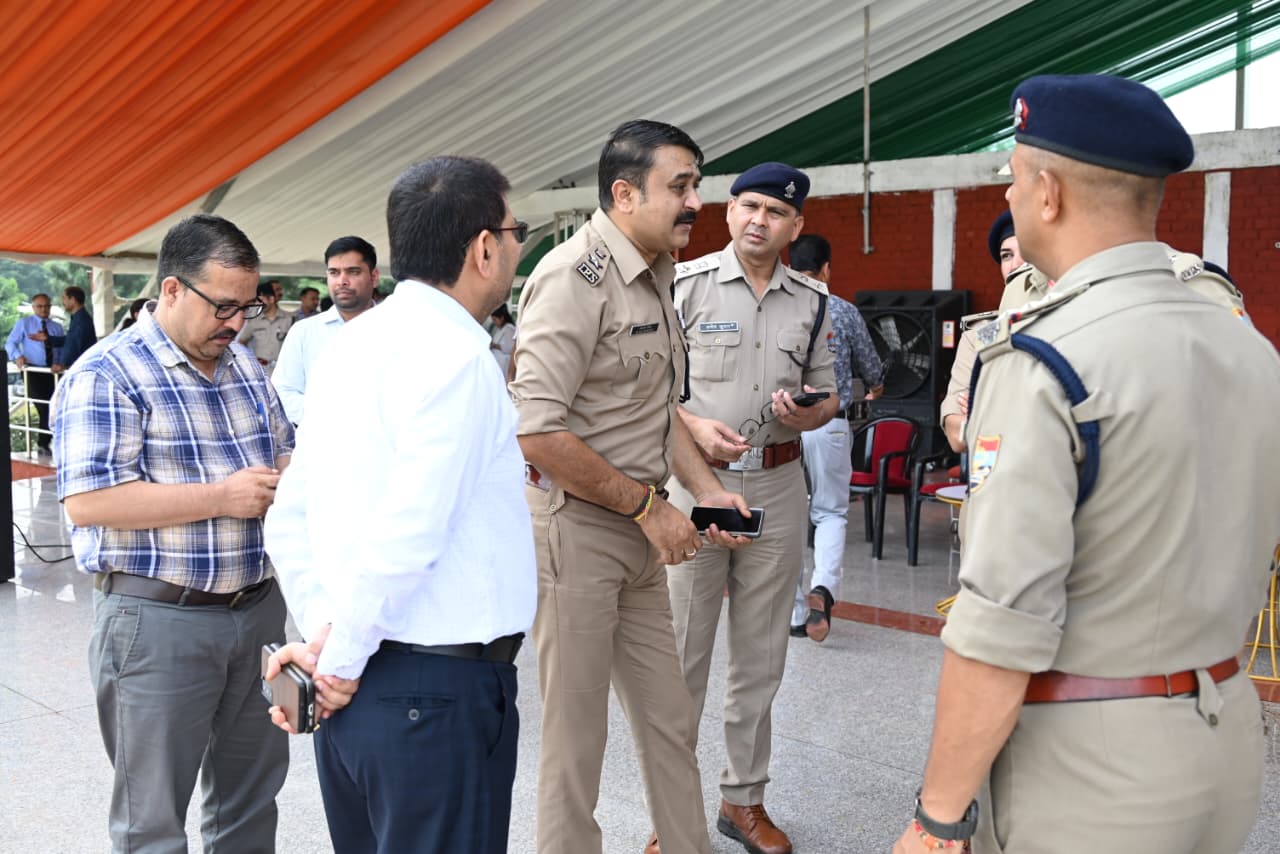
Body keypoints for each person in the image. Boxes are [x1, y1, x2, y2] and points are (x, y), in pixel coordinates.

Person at [894, 74, 1280, 854]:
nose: (1009, 192)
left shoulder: (1046, 358)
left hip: (1091, 768)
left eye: (1012, 176)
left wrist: (937, 819)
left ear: (1048, 194)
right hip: (1225, 732)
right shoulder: (1248, 347)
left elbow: (1000, 627)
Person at [264, 155, 535, 854]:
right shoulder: (459, 359)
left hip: (356, 689)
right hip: (432, 693)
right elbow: (412, 531)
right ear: (483, 248)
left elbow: (289, 515)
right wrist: (338, 660)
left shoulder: (349, 347)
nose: (515, 247)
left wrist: (326, 640)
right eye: (516, 232)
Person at [510, 119, 751, 854]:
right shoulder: (572, 278)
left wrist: (704, 490)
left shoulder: (658, 269)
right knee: (576, 737)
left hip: (643, 531)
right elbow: (537, 432)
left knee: (668, 720)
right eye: (679, 187)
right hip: (579, 533)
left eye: (695, 186)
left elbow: (656, 408)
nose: (695, 203)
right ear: (624, 194)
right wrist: (649, 508)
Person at [53, 214, 295, 852]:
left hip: (256, 611)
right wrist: (223, 496)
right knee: (153, 821)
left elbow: (283, 453)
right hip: (159, 621)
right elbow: (89, 501)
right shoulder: (107, 373)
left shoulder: (243, 366)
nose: (235, 323)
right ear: (171, 289)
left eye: (247, 307)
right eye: (223, 306)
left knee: (250, 803)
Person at [665, 162, 836, 854]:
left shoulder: (813, 302)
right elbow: (647, 390)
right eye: (750, 206)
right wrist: (692, 427)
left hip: (778, 484)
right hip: (695, 484)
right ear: (730, 212)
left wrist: (809, 412)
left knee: (761, 658)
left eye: (776, 212)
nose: (761, 220)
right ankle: (671, 813)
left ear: (796, 226)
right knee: (681, 656)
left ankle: (743, 801)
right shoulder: (684, 286)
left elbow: (828, 394)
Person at [785, 234, 883, 641]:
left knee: (787, 516)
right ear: (826, 269)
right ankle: (823, 589)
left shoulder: (777, 308)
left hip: (784, 424)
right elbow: (871, 365)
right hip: (830, 422)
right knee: (830, 512)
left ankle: (794, 615)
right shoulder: (842, 310)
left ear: (790, 267)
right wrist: (875, 386)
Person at [940, 210, 1051, 453]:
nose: (1016, 264)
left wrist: (987, 408)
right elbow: (955, 435)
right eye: (1006, 256)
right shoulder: (978, 336)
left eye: (1026, 253)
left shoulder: (1072, 320)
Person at [273, 236, 379, 423]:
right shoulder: (304, 332)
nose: (342, 281)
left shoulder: (400, 330)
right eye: (334, 273)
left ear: (374, 277)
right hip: (319, 437)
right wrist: (332, 417)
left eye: (353, 272)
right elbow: (283, 392)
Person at [7, 293, 64, 452]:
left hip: (53, 372)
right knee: (44, 407)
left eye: (46, 306)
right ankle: (43, 444)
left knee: (56, 407)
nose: (43, 309)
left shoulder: (56, 327)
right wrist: (17, 356)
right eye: (40, 306)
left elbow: (61, 349)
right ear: (33, 307)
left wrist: (61, 363)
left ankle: (49, 443)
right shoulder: (24, 324)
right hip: (33, 371)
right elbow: (10, 343)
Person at [37, 285, 97, 374]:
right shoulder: (78, 318)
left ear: (72, 300)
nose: (62, 301)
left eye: (64, 298)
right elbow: (69, 340)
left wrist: (63, 364)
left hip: (81, 369)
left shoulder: (81, 320)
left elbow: (74, 344)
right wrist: (48, 339)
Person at [237, 281, 293, 374]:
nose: (258, 304)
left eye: (261, 300)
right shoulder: (254, 321)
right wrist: (247, 361)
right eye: (256, 301)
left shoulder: (289, 319)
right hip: (260, 370)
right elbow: (241, 342)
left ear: (271, 299)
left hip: (283, 370)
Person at [489, 303, 517, 377]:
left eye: (495, 320)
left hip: (504, 366)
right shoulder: (500, 329)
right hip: (498, 364)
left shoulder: (509, 329)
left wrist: (494, 345)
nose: (494, 322)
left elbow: (510, 348)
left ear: (502, 318)